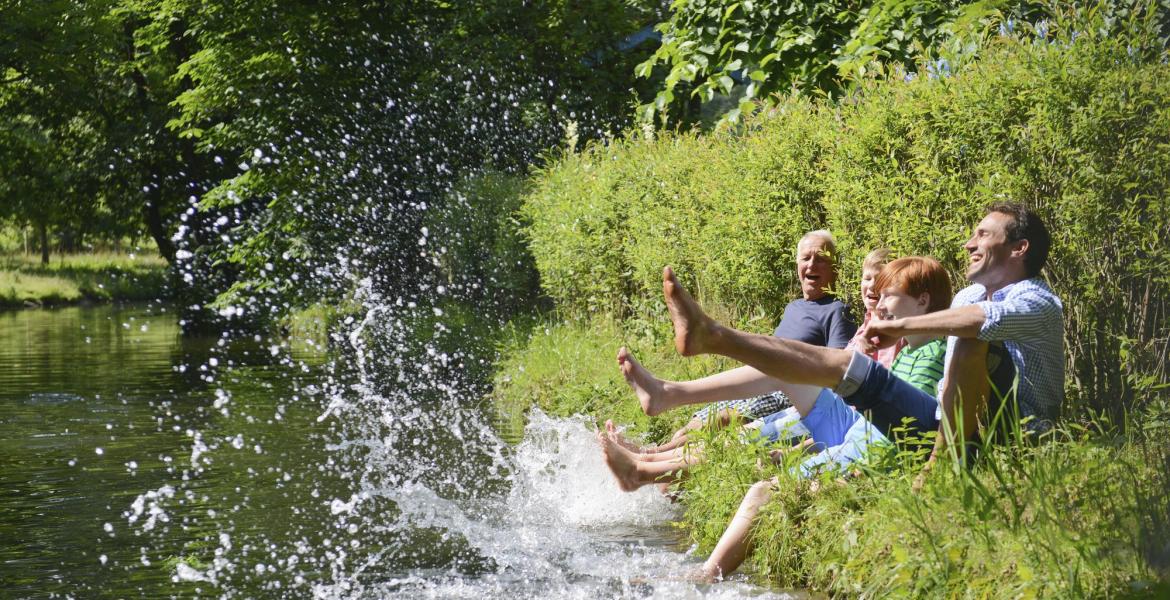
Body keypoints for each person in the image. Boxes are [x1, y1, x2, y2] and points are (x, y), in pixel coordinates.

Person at [642, 202, 1062, 578]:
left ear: (1019, 248)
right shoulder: (970, 292)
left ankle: (712, 338)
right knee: (838, 374)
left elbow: (975, 323)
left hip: (1007, 438)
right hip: (941, 421)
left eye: (983, 234)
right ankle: (688, 370)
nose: (969, 243)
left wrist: (894, 328)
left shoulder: (1038, 301)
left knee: (958, 342)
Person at [600, 257, 948, 494]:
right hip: (844, 415)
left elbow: (910, 417)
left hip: (853, 423)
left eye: (888, 292)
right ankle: (653, 437)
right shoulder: (890, 338)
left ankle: (648, 456)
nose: (875, 295)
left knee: (746, 429)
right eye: (872, 284)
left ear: (921, 302)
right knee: (761, 397)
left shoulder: (846, 316)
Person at [616, 233, 860, 455]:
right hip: (761, 379)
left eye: (821, 260)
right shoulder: (793, 307)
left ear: (835, 269)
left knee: (722, 419)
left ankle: (646, 456)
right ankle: (650, 454)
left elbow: (833, 364)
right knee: (693, 425)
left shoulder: (837, 310)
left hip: (786, 388)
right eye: (806, 258)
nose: (811, 265)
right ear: (797, 265)